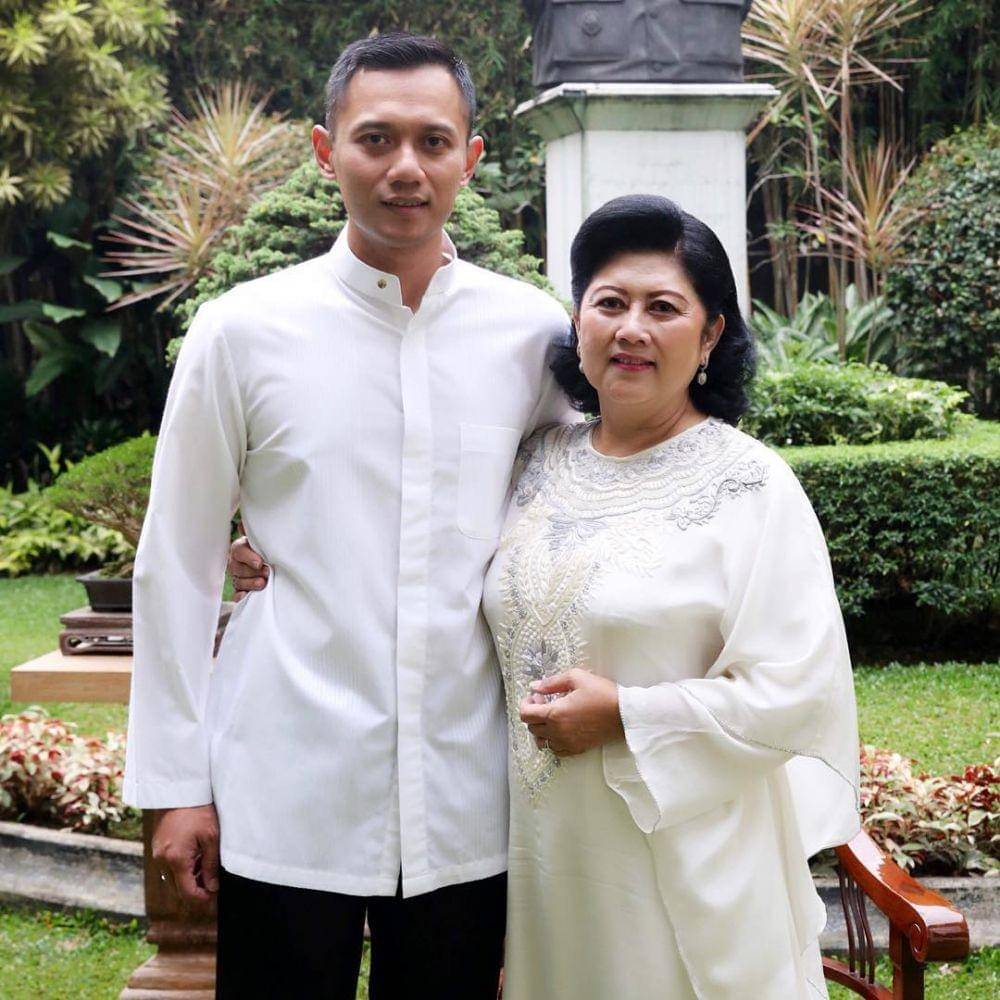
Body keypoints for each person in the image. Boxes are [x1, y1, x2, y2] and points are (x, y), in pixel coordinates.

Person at [232, 195, 861, 999]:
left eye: (663, 308)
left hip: (687, 863)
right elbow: (411, 536)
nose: (631, 329)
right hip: (548, 867)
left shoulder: (751, 488)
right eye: (610, 303)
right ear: (577, 320)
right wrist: (269, 549)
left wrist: (628, 714)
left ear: (710, 335)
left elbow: (798, 693)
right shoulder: (535, 463)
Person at [123, 32, 576, 999]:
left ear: (471, 157)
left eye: (433, 141)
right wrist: (175, 789)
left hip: (466, 796)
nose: (406, 167)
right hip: (288, 780)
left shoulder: (532, 335)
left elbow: (580, 511)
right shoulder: (241, 332)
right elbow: (178, 562)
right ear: (326, 151)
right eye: (376, 139)